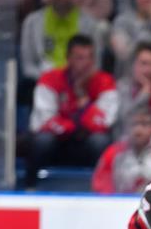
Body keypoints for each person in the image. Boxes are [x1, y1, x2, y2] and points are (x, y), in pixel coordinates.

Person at [27, 34, 117, 187]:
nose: (86, 63)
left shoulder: (105, 82)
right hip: (59, 143)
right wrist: (76, 124)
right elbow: (44, 121)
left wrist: (85, 102)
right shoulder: (50, 79)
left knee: (101, 141)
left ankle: (102, 189)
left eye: (90, 58)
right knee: (42, 140)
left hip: (86, 144)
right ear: (68, 59)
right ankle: (30, 187)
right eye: (80, 58)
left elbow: (105, 123)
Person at [93, 107, 151, 194]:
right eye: (134, 124)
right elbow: (100, 186)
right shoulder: (113, 152)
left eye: (144, 124)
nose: (138, 130)